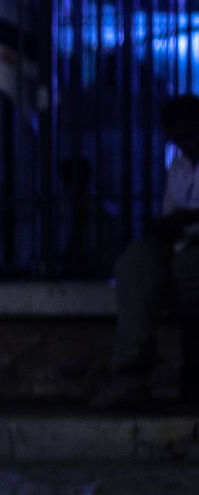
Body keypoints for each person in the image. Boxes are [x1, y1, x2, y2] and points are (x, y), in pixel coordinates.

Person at [94, 95, 199, 409]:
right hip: (177, 247)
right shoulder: (179, 168)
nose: (186, 142)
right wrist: (166, 227)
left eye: (191, 133)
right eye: (179, 136)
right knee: (135, 264)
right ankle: (131, 373)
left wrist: (188, 220)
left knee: (179, 271)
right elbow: (171, 214)